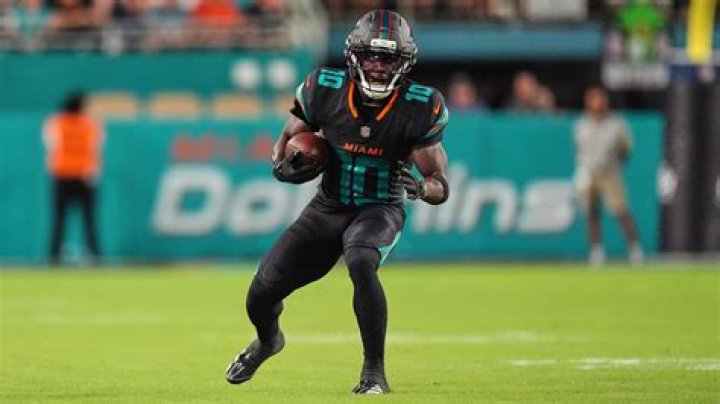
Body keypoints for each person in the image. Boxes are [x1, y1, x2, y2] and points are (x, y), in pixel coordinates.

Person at [225, 9, 450, 395]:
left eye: (387, 58)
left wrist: (420, 189)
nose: (377, 66)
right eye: (370, 56)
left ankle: (374, 371)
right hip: (328, 207)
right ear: (353, 56)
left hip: (380, 206)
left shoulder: (420, 104)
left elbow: (439, 183)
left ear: (404, 62)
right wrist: (285, 167)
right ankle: (268, 341)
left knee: (360, 258)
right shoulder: (323, 88)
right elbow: (285, 144)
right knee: (260, 294)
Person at [573, 86, 643, 266]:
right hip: (589, 172)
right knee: (592, 213)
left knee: (620, 209)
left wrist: (618, 159)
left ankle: (634, 248)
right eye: (592, 99)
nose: (596, 103)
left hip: (609, 172)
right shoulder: (582, 124)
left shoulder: (616, 123)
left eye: (599, 99)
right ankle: (596, 250)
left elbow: (625, 148)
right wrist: (582, 172)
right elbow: (580, 150)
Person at [44, 91, 104, 265]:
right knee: (88, 219)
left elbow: (50, 146)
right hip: (84, 176)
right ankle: (93, 255)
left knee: (59, 219)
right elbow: (96, 149)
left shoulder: (56, 122)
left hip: (62, 175)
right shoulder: (91, 124)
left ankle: (54, 256)